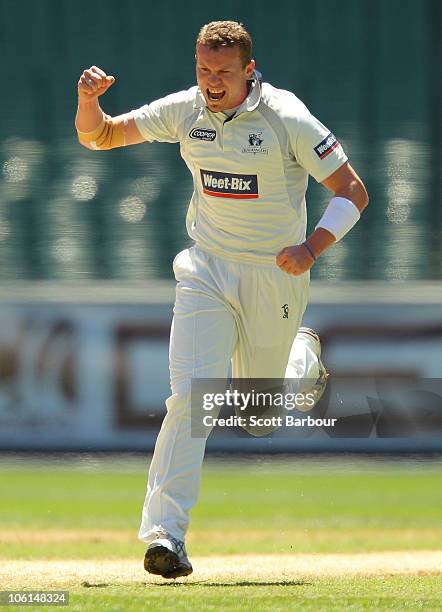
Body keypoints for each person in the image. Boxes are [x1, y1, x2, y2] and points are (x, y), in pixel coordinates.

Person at [76, 20, 368, 579]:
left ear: (248, 71)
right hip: (205, 269)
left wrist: (313, 247)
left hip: (274, 273)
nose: (212, 82)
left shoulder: (287, 117)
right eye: (204, 70)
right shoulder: (186, 109)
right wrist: (88, 102)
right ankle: (166, 535)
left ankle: (300, 358)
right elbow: (101, 136)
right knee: (190, 400)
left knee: (258, 420)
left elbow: (352, 190)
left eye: (224, 73)